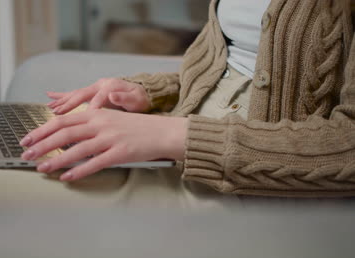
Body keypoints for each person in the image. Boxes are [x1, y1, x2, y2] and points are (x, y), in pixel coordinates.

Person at [20, 0, 355, 197]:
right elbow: (230, 67)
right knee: (3, 148)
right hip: (184, 137)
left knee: (20, 190)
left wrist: (172, 136)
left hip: (255, 182)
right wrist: (151, 92)